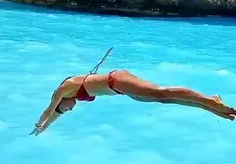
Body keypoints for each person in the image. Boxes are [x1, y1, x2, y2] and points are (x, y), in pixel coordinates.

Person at [30, 69, 236, 136]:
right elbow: (54, 115)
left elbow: (50, 110)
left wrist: (38, 124)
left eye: (65, 110)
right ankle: (211, 107)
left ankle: (209, 100)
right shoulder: (71, 95)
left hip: (116, 80)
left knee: (159, 93)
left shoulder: (64, 89)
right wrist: (41, 130)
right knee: (164, 101)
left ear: (61, 100)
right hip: (120, 90)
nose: (70, 110)